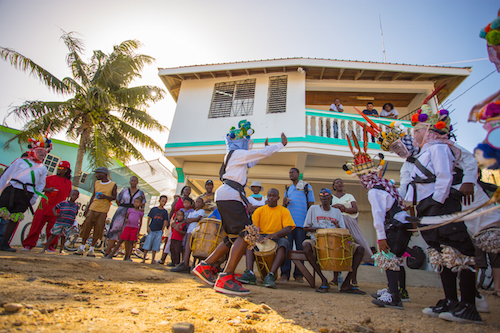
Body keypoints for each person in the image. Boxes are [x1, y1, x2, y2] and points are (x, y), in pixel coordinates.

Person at [405, 104, 482, 324]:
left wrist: (437, 202)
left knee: (459, 248)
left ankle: (469, 306)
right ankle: (451, 301)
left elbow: (444, 177)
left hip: (438, 205)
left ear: (429, 131)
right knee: (440, 252)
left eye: (418, 131)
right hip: (427, 206)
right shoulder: (425, 152)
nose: (414, 134)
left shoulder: (439, 148)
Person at [192, 119, 287, 295]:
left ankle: (205, 266)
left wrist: (264, 150)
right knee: (247, 235)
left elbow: (251, 161)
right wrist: (280, 145)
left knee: (233, 237)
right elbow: (259, 154)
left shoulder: (233, 154)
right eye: (246, 142)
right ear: (240, 142)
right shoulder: (236, 153)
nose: (248, 145)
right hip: (230, 196)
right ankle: (226, 277)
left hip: (228, 195)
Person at [359, 172, 412, 310]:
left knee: (389, 259)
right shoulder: (386, 188)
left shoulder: (374, 191)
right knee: (395, 260)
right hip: (403, 224)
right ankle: (393, 291)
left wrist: (381, 238)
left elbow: (378, 215)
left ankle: (394, 297)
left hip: (396, 226)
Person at [302, 188, 366, 294]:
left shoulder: (337, 212)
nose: (324, 197)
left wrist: (337, 227)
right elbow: (305, 227)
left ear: (331, 197)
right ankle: (323, 279)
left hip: (337, 242)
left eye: (326, 195)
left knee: (360, 249)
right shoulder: (313, 209)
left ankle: (346, 283)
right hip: (317, 241)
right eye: (321, 195)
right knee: (305, 245)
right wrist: (320, 229)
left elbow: (343, 230)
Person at [0, 135, 51, 252]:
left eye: (44, 152)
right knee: (1, 213)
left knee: (14, 218)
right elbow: (6, 176)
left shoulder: (42, 168)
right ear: (33, 150)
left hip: (26, 194)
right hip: (12, 189)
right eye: (40, 151)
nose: (42, 154)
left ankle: (4, 243)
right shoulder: (20, 162)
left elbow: (40, 185)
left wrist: (33, 198)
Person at [237, 188, 294, 289]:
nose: (271, 198)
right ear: (267, 197)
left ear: (278, 197)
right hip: (262, 236)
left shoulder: (284, 211)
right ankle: (249, 273)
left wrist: (275, 234)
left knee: (284, 244)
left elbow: (288, 228)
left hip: (278, 236)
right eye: (270, 196)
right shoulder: (259, 210)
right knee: (250, 242)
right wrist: (257, 236)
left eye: (274, 196)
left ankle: (271, 275)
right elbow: (252, 226)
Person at [22, 160, 73, 251]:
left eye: (61, 168)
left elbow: (69, 195)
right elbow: (39, 188)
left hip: (57, 210)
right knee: (35, 227)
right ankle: (29, 244)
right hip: (44, 207)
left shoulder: (68, 182)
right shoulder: (49, 178)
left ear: (66, 170)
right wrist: (48, 189)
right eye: (59, 167)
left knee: (53, 230)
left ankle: (50, 246)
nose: (59, 169)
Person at [280, 167, 315, 284]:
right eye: (289, 172)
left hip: (301, 224)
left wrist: (309, 221)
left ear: (298, 174)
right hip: (288, 224)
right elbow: (283, 207)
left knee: (301, 249)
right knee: (286, 248)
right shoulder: (287, 188)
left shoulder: (306, 186)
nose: (290, 174)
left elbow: (311, 204)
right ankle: (284, 274)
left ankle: (299, 275)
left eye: (293, 172)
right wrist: (284, 203)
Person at [76, 167, 117, 257]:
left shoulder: (113, 185)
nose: (96, 175)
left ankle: (91, 249)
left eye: (98, 173)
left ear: (104, 174)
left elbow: (114, 197)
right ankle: (82, 247)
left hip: (103, 210)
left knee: (98, 229)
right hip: (93, 207)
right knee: (86, 226)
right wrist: (87, 208)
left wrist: (105, 197)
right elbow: (93, 196)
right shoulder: (96, 183)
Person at [331, 178, 373, 267]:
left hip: (348, 219)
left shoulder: (349, 196)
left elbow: (355, 209)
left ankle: (368, 258)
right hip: (336, 222)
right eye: (337, 183)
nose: (339, 184)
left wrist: (344, 209)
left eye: (341, 182)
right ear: (334, 186)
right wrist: (335, 207)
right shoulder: (331, 197)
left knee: (357, 239)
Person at [104, 176, 145, 256]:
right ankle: (107, 253)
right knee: (114, 231)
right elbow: (118, 200)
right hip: (121, 212)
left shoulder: (140, 193)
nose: (133, 182)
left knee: (128, 234)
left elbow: (143, 204)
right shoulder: (124, 191)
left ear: (137, 182)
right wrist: (123, 207)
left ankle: (127, 255)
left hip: (133, 214)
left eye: (135, 181)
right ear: (130, 181)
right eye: (132, 180)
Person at [158, 185, 191, 266]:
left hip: (183, 224)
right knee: (169, 240)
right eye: (186, 189)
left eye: (189, 190)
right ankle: (163, 258)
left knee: (180, 243)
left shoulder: (190, 201)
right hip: (174, 222)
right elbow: (172, 209)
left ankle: (180, 262)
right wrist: (168, 220)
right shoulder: (178, 199)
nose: (187, 191)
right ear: (183, 190)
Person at [171, 197, 205, 272]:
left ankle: (188, 264)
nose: (197, 203)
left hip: (196, 230)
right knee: (186, 247)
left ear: (202, 204)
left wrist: (191, 219)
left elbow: (198, 219)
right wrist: (191, 220)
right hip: (188, 231)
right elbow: (187, 220)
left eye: (199, 202)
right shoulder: (192, 212)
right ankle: (185, 263)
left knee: (192, 247)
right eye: (196, 202)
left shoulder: (202, 211)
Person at [42, 189, 80, 253]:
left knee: (64, 236)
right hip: (59, 222)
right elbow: (55, 208)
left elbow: (75, 214)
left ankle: (61, 249)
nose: (74, 197)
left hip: (68, 224)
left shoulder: (76, 206)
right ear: (70, 195)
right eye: (73, 195)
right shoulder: (63, 203)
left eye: (76, 196)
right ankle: (45, 248)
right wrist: (55, 214)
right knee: (53, 234)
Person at [106, 197, 144, 261]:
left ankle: (128, 256)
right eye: (135, 202)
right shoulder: (130, 210)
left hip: (135, 228)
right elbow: (126, 217)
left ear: (140, 204)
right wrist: (126, 220)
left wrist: (138, 231)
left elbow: (141, 222)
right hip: (128, 227)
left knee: (131, 243)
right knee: (120, 240)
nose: (136, 204)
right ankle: (111, 254)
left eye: (137, 202)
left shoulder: (140, 213)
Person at [141, 195, 169, 264]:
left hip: (159, 230)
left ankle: (153, 259)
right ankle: (144, 258)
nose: (163, 203)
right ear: (159, 201)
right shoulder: (154, 209)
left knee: (155, 246)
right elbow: (149, 218)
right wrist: (148, 227)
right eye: (162, 201)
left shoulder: (165, 212)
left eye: (165, 202)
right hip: (152, 229)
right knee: (147, 244)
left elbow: (165, 221)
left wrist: (163, 229)